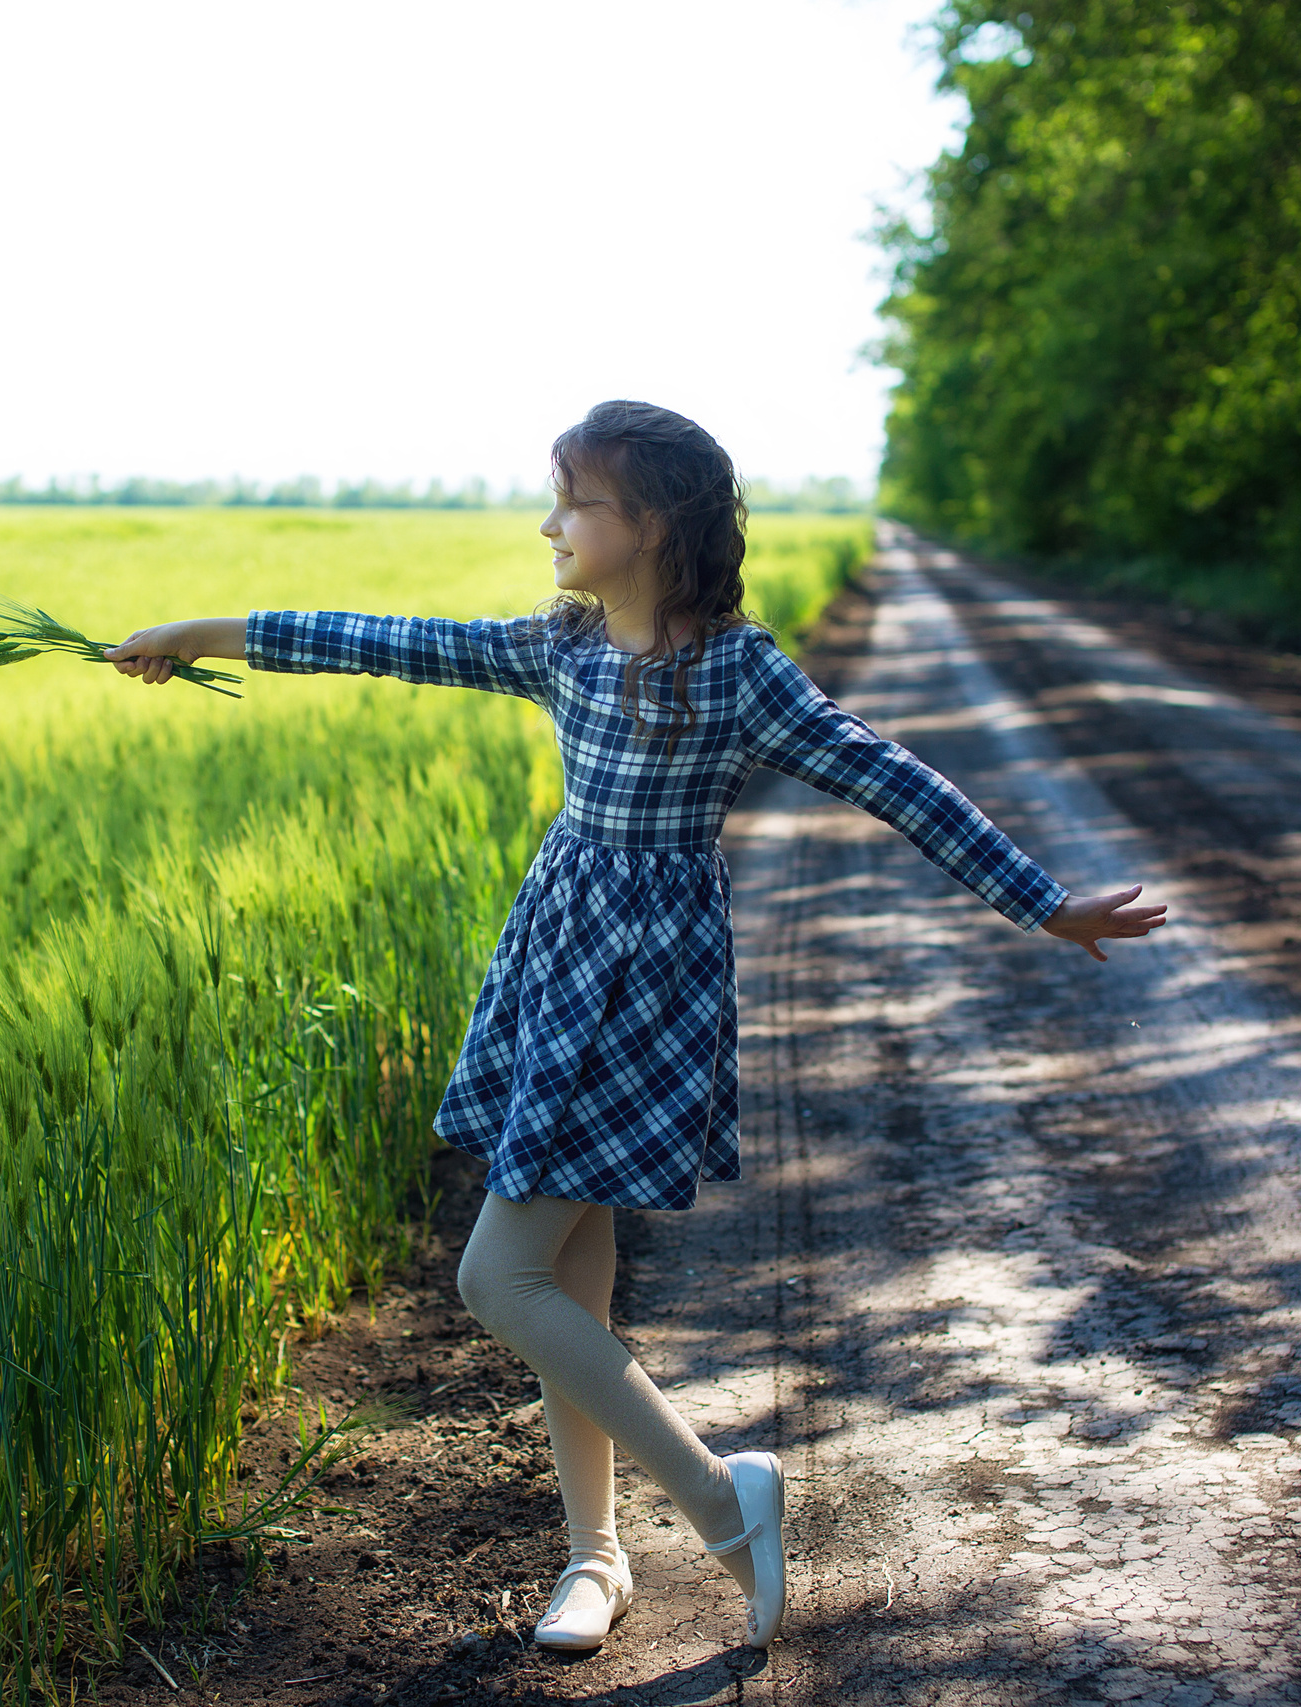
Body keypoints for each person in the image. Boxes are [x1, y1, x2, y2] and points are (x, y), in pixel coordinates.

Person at [104, 400, 1166, 1655]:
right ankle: (594, 1559)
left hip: (648, 987)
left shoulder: (735, 669)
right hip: (557, 960)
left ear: (650, 524)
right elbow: (388, 640)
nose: (550, 526)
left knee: (494, 1276)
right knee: (565, 1274)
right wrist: (203, 631)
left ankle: (724, 1497)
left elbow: (886, 774)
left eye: (575, 503)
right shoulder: (561, 646)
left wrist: (1037, 901)